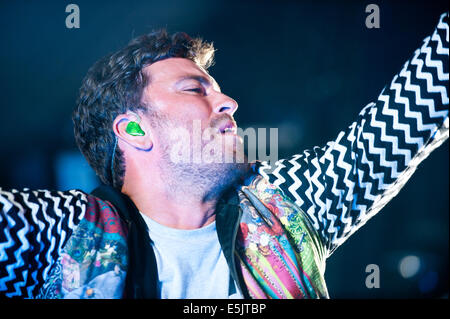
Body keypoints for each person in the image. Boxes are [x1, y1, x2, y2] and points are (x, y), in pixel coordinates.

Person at [0, 12, 448, 299]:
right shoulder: (60, 232)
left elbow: (423, 102)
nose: (229, 102)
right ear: (134, 130)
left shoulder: (285, 207)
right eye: (195, 89)